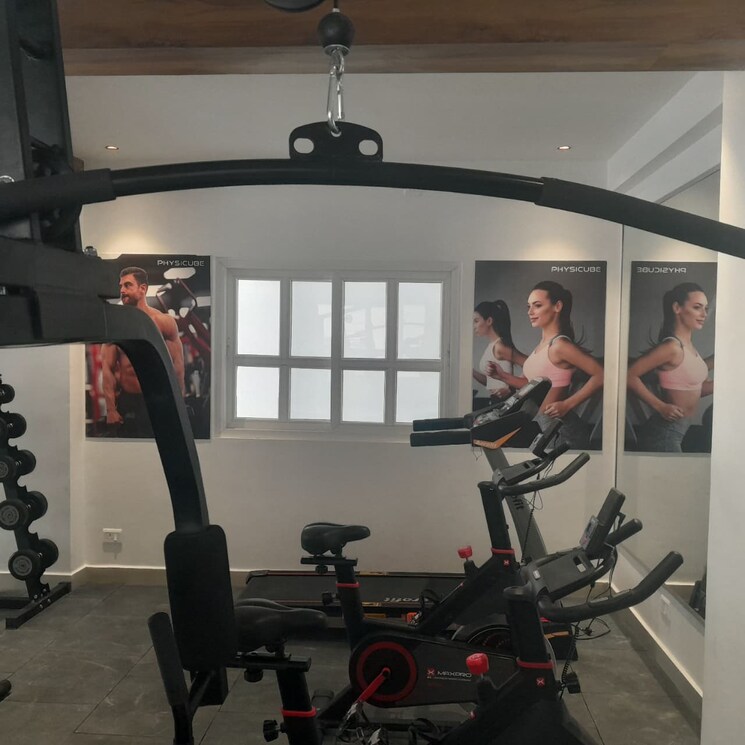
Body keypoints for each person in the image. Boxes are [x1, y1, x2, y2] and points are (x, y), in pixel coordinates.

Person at [486, 280, 604, 448]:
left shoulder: (560, 346)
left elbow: (602, 374)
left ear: (557, 306)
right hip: (541, 427)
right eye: (528, 306)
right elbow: (531, 385)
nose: (530, 312)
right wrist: (501, 376)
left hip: (559, 431)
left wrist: (567, 404)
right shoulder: (543, 345)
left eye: (537, 305)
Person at [627, 282, 714, 453]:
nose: (704, 314)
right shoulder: (672, 347)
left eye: (705, 308)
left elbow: (693, 389)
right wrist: (660, 407)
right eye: (697, 307)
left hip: (679, 431)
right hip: (664, 434)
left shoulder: (687, 346)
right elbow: (628, 375)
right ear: (677, 308)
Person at [102, 266, 185, 437]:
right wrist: (111, 410)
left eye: (127, 285)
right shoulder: (115, 326)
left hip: (159, 399)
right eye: (120, 286)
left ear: (143, 288)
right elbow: (107, 369)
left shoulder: (164, 322)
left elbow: (177, 366)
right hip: (129, 401)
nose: (122, 290)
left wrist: (179, 404)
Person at [472, 300, 523, 401]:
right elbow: (491, 382)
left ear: (489, 321)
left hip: (505, 401)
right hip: (495, 400)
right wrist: (471, 371)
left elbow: (530, 364)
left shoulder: (499, 346)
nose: (474, 326)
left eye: (476, 321)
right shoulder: (492, 346)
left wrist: (510, 388)